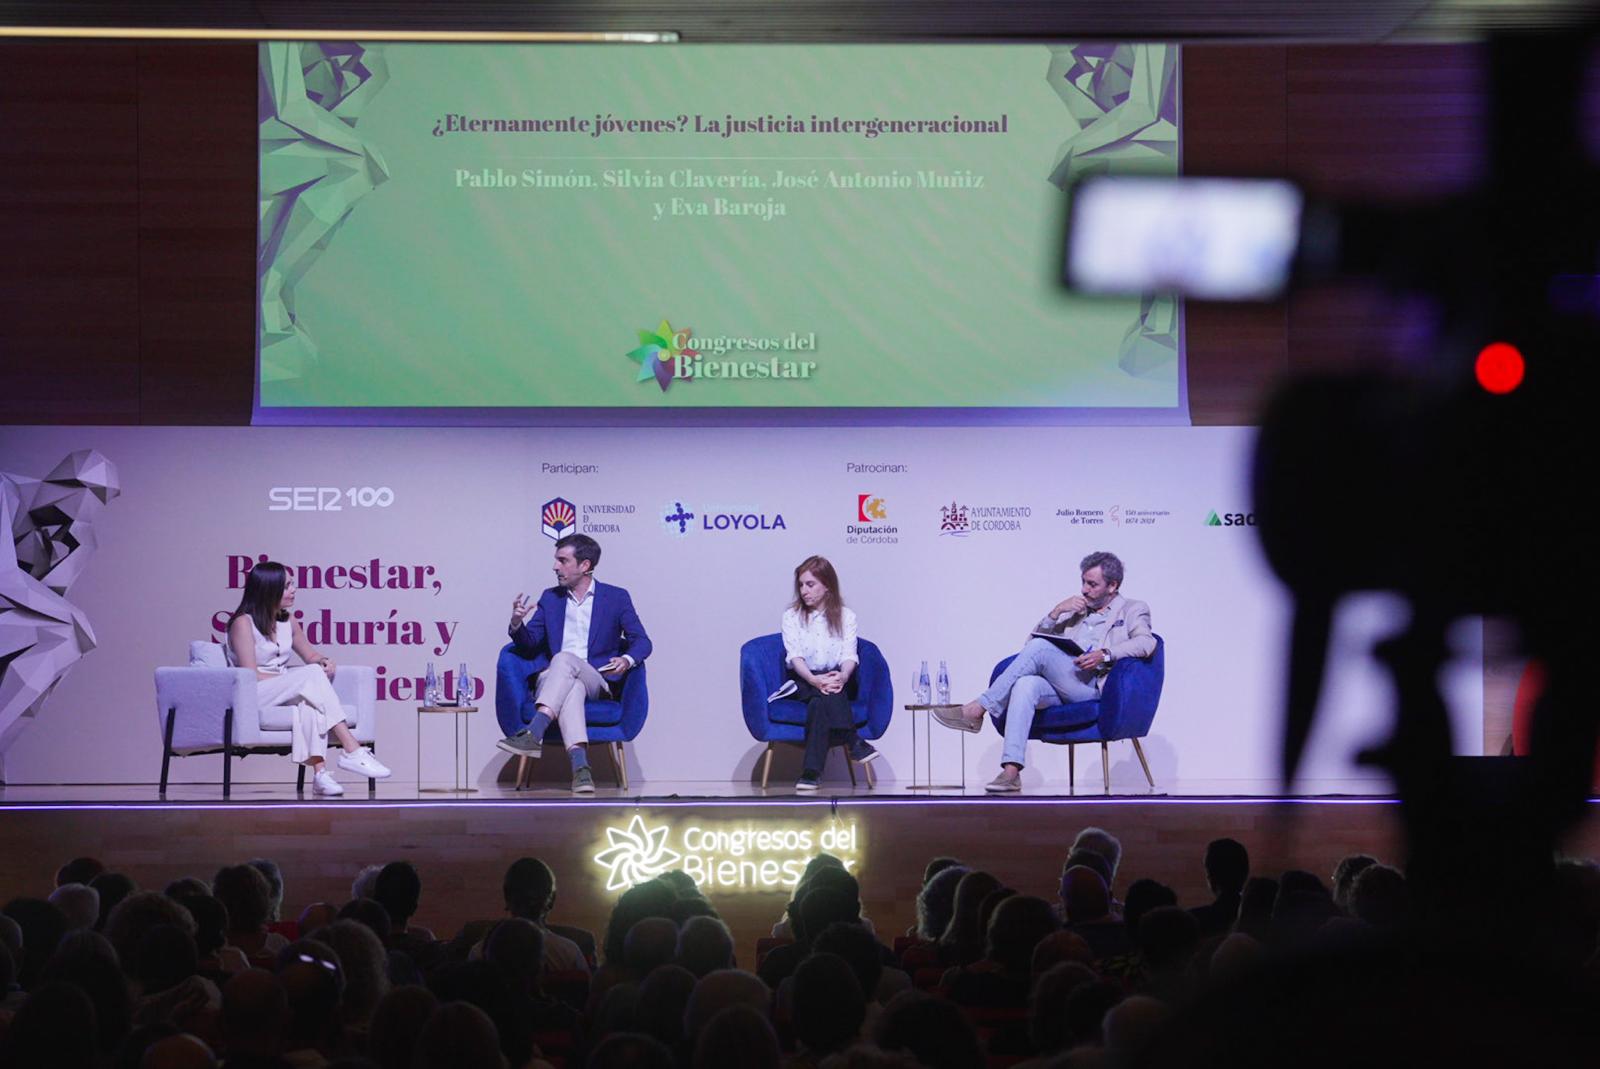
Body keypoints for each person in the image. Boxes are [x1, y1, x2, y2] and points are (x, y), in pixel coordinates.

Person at [936, 551, 1155, 793]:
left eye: (1092, 584)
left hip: (1093, 687)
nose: (1084, 589)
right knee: (1025, 684)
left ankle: (978, 708)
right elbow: (1030, 645)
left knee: (1040, 650)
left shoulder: (1133, 609)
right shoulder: (1077, 611)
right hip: (1063, 683)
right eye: (1083, 582)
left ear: (1112, 585)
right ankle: (1011, 771)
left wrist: (1105, 653)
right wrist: (1055, 612)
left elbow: (1147, 643)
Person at [495, 533, 651, 794]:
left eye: (562, 560)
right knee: (571, 685)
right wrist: (516, 623)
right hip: (555, 678)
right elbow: (530, 643)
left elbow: (642, 641)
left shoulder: (616, 597)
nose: (555, 566)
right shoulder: (550, 598)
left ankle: (534, 732)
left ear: (585, 565)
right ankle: (581, 769)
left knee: (566, 661)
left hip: (596, 678)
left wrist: (626, 659)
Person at [225, 561, 391, 796]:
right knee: (308, 680)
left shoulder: (288, 621)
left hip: (282, 689)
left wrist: (324, 661)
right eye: (287, 586)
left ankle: (320, 775)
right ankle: (352, 749)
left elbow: (310, 655)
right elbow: (249, 674)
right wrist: (298, 677)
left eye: (292, 584)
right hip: (253, 693)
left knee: (310, 702)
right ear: (268, 589)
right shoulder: (243, 623)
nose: (293, 590)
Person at [781, 555, 877, 792]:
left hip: (837, 677)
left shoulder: (846, 616)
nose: (804, 591)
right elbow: (795, 656)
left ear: (827, 586)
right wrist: (814, 679)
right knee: (818, 696)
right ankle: (854, 741)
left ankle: (811, 773)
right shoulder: (791, 616)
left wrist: (843, 676)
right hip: (804, 678)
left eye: (810, 584)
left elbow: (849, 655)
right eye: (801, 585)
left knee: (819, 704)